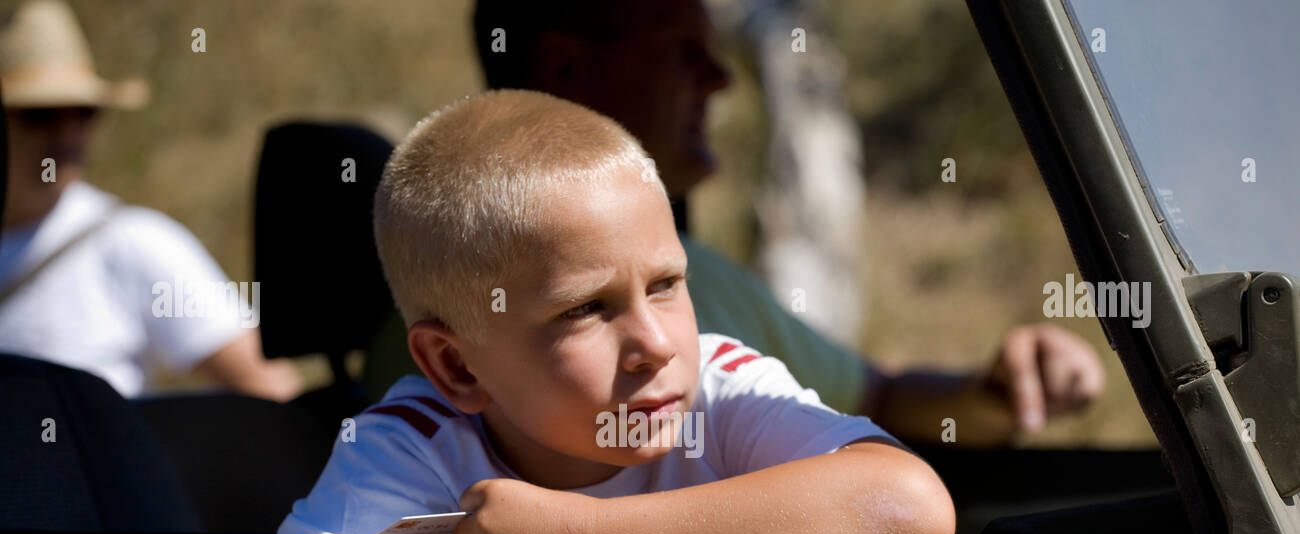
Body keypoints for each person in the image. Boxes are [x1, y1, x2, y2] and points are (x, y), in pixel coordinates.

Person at [240, 90, 956, 534]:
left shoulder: (719, 386)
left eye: (669, 283)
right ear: (457, 365)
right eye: (586, 308)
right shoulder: (412, 444)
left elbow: (908, 503)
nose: (655, 343)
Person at [365, 0, 1105, 446]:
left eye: (663, 289)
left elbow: (871, 399)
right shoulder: (465, 339)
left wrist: (992, 392)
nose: (718, 79)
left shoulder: (702, 278)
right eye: (683, 49)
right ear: (564, 71)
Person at [0, 0, 300, 401]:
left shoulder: (134, 241)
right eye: (41, 114)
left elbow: (272, 391)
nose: (66, 133)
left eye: (84, 113)